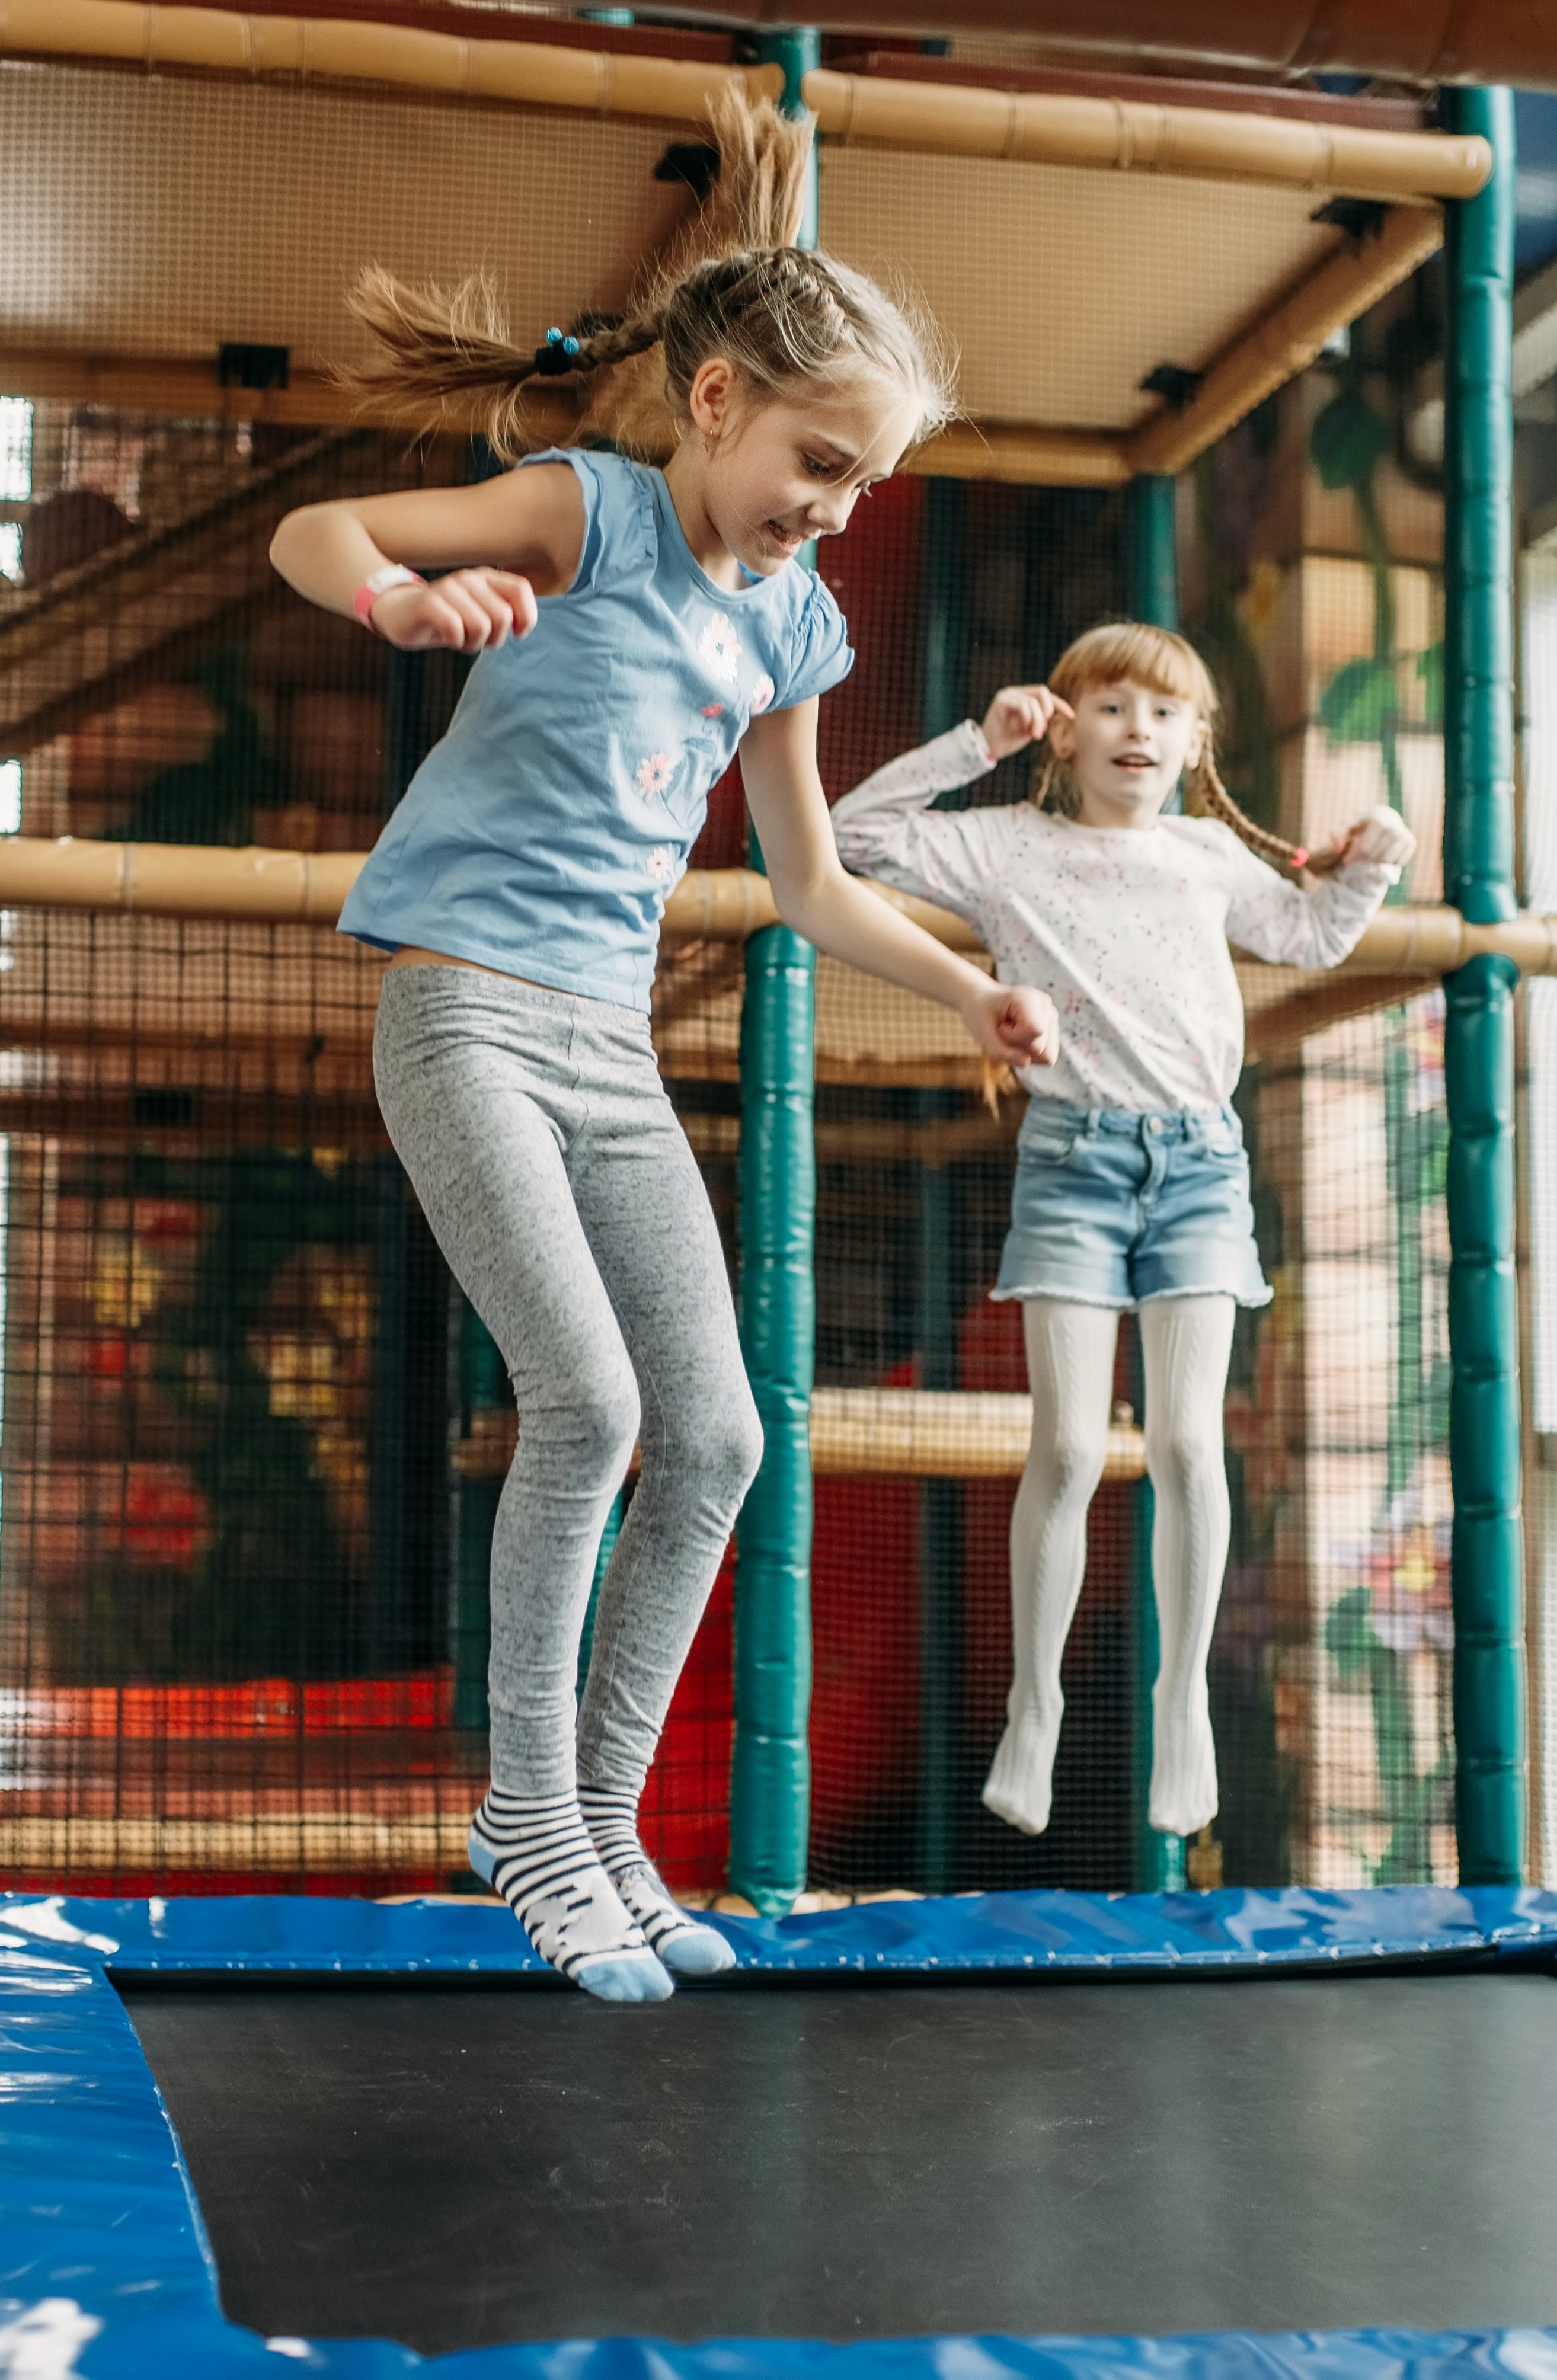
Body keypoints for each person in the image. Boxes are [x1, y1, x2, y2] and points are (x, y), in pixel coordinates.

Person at [270, 99, 1056, 2002]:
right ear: (714, 404)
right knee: (594, 1408)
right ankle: (528, 1820)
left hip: (608, 1056)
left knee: (716, 1431)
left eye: (864, 487)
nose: (834, 513)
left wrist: (969, 985)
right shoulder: (589, 511)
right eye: (819, 462)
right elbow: (322, 528)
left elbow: (803, 880)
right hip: (460, 1009)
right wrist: (401, 598)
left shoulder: (786, 628)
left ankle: (605, 1826)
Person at [831, 621, 1415, 1841]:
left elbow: (1308, 934)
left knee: (1190, 1447)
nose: (1135, 730)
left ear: (1195, 743)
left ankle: (1181, 1697)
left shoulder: (1206, 856)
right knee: (1064, 1448)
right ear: (1062, 728)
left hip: (1199, 1164)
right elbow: (849, 836)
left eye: (1161, 713)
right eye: (1108, 706)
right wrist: (971, 743)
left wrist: (1368, 864)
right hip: (1072, 1162)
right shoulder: (1007, 846)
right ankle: (1030, 1704)